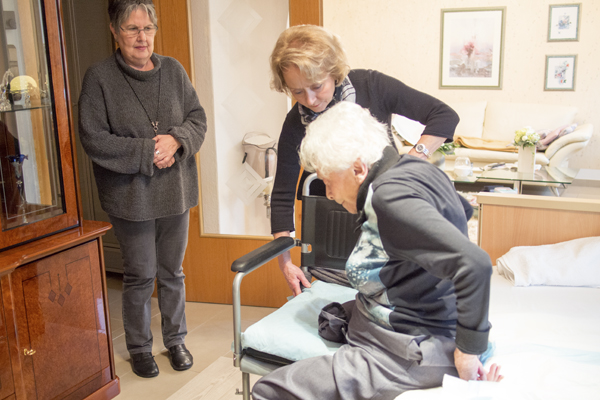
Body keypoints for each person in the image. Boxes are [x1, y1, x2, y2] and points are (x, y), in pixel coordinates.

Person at [251, 102, 502, 399]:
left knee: (267, 390)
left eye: (328, 181)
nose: (329, 194)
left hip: (405, 348)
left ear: (359, 169)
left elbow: (475, 263)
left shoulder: (390, 198)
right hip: (396, 323)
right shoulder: (415, 167)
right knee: (330, 317)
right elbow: (460, 211)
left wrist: (468, 352)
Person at [269, 25, 460, 296]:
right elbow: (282, 195)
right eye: (297, 92)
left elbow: (444, 116)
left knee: (388, 291)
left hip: (385, 213)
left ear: (334, 72)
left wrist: (412, 160)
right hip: (332, 222)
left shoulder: (372, 86)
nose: (309, 100)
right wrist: (285, 262)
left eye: (317, 86)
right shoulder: (295, 122)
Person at [78, 0, 206, 378]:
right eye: (132, 28)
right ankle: (138, 347)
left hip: (175, 190)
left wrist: (177, 140)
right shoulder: (99, 77)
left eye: (148, 28)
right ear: (114, 31)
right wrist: (148, 151)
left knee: (172, 271)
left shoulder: (174, 70)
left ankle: (176, 339)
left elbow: (197, 119)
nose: (142, 37)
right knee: (140, 274)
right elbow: (93, 137)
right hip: (130, 196)